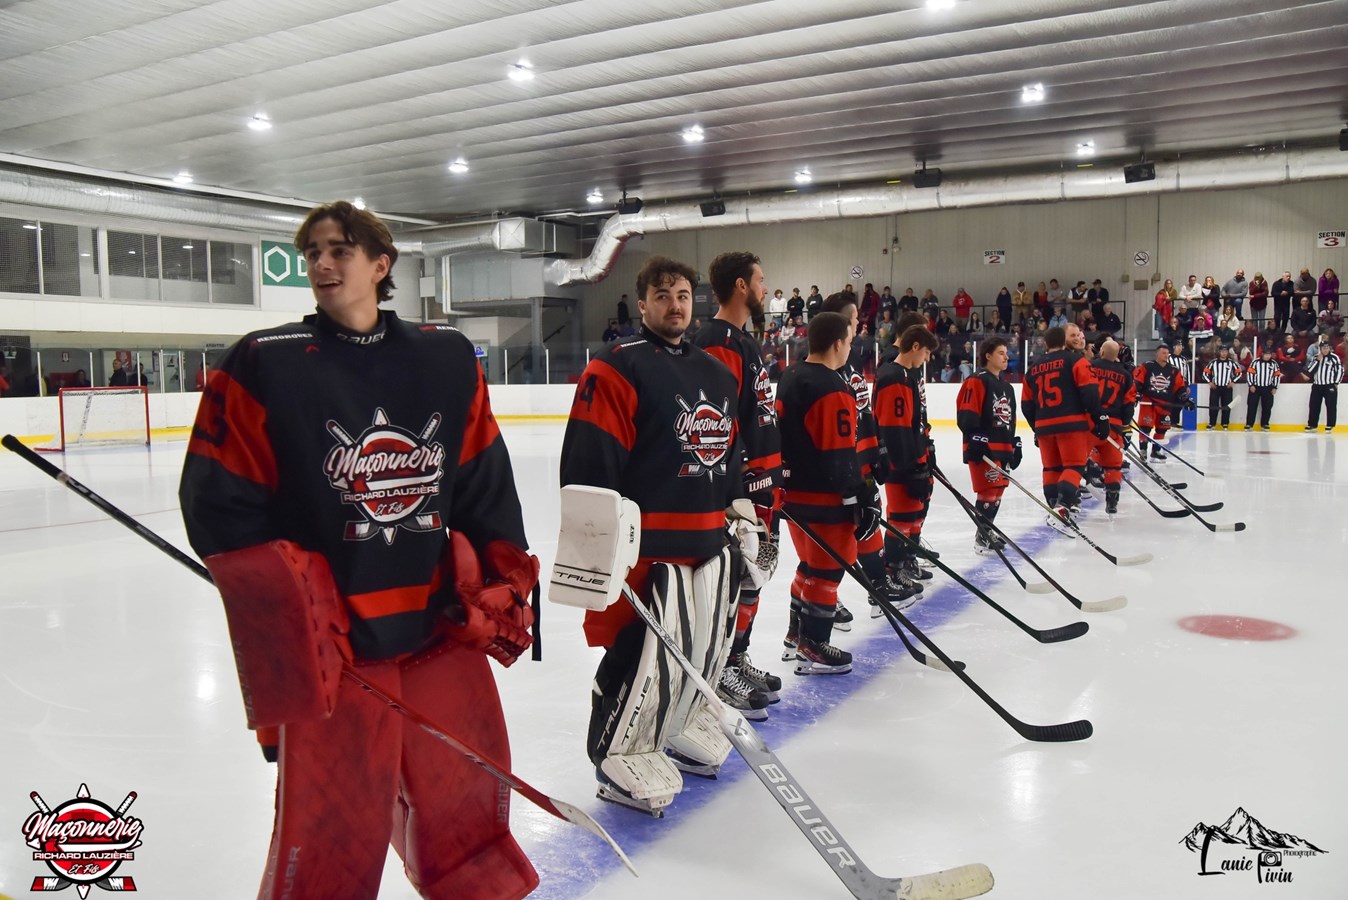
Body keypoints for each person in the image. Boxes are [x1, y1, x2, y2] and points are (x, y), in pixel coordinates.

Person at [179, 201, 539, 899]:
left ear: (381, 265)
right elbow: (218, 500)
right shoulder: (264, 363)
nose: (321, 263)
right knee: (331, 826)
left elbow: (482, 477)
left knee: (469, 787)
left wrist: (499, 578)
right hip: (336, 649)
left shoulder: (445, 358)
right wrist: (285, 608)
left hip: (436, 626)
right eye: (312, 250)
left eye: (340, 249)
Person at [560, 254, 743, 811]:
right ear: (642, 304)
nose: (675, 305)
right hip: (648, 549)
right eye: (661, 295)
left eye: (683, 294)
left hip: (707, 541)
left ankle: (677, 723)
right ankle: (618, 750)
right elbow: (591, 463)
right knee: (642, 653)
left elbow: (727, 456)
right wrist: (596, 551)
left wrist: (741, 516)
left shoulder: (716, 371)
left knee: (702, 648)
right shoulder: (617, 366)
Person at [692, 251, 784, 717]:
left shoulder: (742, 340)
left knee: (757, 575)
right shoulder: (719, 340)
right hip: (742, 488)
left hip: (764, 485)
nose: (767, 288)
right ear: (742, 287)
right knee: (739, 577)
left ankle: (737, 656)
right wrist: (735, 489)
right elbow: (717, 423)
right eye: (762, 280)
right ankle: (719, 668)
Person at [776, 312, 872, 674]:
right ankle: (813, 646)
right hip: (824, 498)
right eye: (848, 341)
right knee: (830, 569)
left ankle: (794, 635)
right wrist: (862, 495)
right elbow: (839, 452)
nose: (849, 348)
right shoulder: (832, 386)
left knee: (809, 565)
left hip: (794, 496)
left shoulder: (791, 374)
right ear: (836, 343)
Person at [874, 324, 941, 601]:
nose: (926, 359)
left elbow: (913, 424)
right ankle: (891, 571)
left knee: (912, 516)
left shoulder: (906, 375)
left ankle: (901, 567)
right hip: (901, 465)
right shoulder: (894, 377)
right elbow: (893, 427)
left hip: (913, 459)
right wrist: (909, 463)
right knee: (901, 518)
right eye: (926, 352)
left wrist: (924, 451)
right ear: (915, 347)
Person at [1022, 324, 1104, 531]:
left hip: (1044, 427)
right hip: (1071, 424)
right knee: (1074, 466)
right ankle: (1062, 508)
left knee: (1051, 468)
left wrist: (1036, 427)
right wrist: (1099, 417)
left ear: (1046, 343)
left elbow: (1026, 404)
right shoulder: (1076, 361)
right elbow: (1090, 391)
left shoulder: (1032, 369)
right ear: (1064, 341)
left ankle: (1053, 507)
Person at [957, 336, 1022, 550]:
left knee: (998, 491)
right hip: (983, 449)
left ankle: (987, 530)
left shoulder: (1007, 387)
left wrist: (1013, 443)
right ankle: (982, 536)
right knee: (987, 491)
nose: (1006, 357)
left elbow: (1009, 420)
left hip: (1001, 448)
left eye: (1006, 353)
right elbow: (966, 414)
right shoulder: (976, 380)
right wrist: (975, 437)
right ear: (988, 356)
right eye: (1001, 353)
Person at [1089, 338, 1136, 515]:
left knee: (1077, 458)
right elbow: (1129, 403)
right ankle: (1112, 501)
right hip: (1114, 425)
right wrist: (1124, 426)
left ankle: (1080, 488)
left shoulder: (1091, 367)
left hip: (1091, 422)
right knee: (1113, 465)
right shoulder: (1125, 375)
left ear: (1101, 352)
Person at [1134, 345, 1191, 461]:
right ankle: (1143, 450)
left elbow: (1179, 387)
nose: (1166, 355)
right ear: (1157, 354)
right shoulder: (1147, 366)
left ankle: (1156, 450)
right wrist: (1136, 395)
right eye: (1163, 353)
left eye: (1167, 353)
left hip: (1165, 403)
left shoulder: (1174, 370)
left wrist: (1185, 399)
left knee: (1162, 428)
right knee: (1145, 427)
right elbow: (1137, 382)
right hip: (1149, 402)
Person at [1305, 335, 1343, 432]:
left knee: (1331, 406)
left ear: (1329, 348)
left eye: (1326, 348)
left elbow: (1339, 371)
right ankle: (1312, 425)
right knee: (1313, 405)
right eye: (1323, 348)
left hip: (1329, 385)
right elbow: (1310, 370)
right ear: (1320, 349)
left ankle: (1330, 425)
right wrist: (1317, 360)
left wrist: (1336, 383)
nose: (1325, 350)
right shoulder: (1316, 357)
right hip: (1317, 385)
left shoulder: (1334, 358)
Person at [1203, 345, 1243, 430]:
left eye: (1225, 351)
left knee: (1227, 406)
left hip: (1227, 388)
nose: (1224, 353)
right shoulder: (1213, 362)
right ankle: (1212, 423)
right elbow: (1205, 373)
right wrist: (1209, 382)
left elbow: (1239, 373)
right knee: (1213, 405)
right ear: (1219, 352)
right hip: (1215, 387)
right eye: (1222, 351)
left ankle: (1225, 423)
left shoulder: (1232, 363)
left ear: (1227, 352)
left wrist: (1233, 381)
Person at [1245, 345, 1281, 431]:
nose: (1268, 356)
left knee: (1267, 407)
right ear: (1262, 354)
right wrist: (1251, 385)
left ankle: (1265, 424)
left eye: (1269, 354)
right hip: (1255, 387)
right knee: (1252, 406)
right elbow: (1249, 374)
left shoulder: (1274, 363)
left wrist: (1275, 387)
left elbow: (1277, 376)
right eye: (1266, 354)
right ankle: (1249, 424)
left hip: (1268, 388)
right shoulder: (1255, 362)